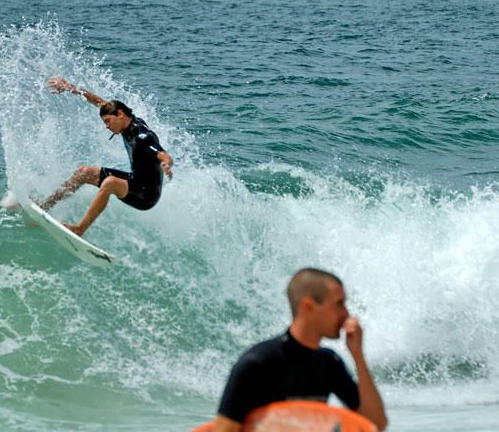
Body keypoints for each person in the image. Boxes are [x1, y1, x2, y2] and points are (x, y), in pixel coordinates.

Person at [212, 268, 388, 432]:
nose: (346, 313)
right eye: (339, 304)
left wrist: (358, 356)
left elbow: (375, 424)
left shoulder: (328, 363)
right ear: (308, 307)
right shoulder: (258, 363)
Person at [39, 76, 174, 236]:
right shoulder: (125, 122)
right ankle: (44, 206)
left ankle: (79, 229)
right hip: (134, 181)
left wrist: (166, 165)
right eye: (105, 122)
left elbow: (163, 155)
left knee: (110, 183)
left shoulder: (142, 136)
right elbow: (99, 102)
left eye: (108, 122)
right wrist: (72, 89)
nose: (107, 126)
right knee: (83, 172)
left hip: (146, 195)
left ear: (120, 114)